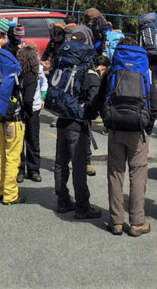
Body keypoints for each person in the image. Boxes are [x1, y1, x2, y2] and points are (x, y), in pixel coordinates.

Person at [103, 37, 157, 237]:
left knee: (115, 174)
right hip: (138, 130)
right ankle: (137, 222)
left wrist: (108, 123)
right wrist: (148, 127)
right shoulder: (144, 70)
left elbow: (103, 97)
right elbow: (154, 104)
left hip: (116, 128)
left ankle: (116, 221)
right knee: (138, 174)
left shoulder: (113, 69)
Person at [54, 54, 108, 219]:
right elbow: (95, 101)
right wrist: (88, 115)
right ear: (101, 68)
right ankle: (82, 207)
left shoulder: (66, 71)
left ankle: (62, 201)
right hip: (78, 125)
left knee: (60, 163)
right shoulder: (91, 77)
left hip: (62, 120)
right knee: (79, 166)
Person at [0, 45, 39, 205]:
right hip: (15, 121)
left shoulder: (8, 72)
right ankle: (10, 195)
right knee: (12, 158)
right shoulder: (30, 76)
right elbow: (29, 101)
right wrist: (28, 114)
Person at [19, 43, 46, 184]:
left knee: (31, 140)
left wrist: (42, 97)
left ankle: (33, 170)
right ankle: (20, 170)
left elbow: (44, 84)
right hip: (21, 109)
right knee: (23, 141)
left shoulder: (38, 70)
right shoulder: (18, 71)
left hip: (33, 109)